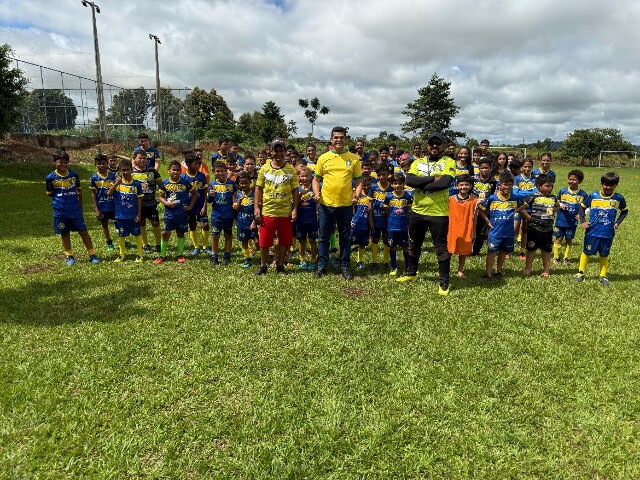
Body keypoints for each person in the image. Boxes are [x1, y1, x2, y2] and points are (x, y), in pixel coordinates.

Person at [397, 132, 455, 296]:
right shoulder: (418, 162)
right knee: (414, 243)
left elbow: (444, 183)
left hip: (439, 213)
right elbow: (409, 181)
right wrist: (431, 179)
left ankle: (444, 283)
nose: (434, 146)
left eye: (438, 143)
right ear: (427, 146)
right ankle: (411, 273)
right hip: (418, 211)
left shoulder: (449, 162)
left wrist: (421, 184)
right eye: (431, 143)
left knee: (441, 248)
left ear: (443, 146)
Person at [313, 126, 362, 280]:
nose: (339, 140)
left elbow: (359, 180)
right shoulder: (323, 158)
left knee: (345, 237)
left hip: (346, 205)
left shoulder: (353, 159)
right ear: (331, 139)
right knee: (324, 237)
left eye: (341, 137)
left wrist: (357, 194)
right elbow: (315, 179)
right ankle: (322, 265)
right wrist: (316, 193)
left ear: (346, 139)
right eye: (336, 137)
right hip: (326, 204)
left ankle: (345, 265)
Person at [46, 150, 100, 265]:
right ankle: (69, 256)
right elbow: (50, 193)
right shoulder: (50, 178)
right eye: (60, 162)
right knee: (64, 233)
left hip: (75, 210)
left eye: (65, 162)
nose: (63, 165)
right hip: (60, 212)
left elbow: (79, 191)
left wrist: (80, 208)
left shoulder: (74, 175)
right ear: (55, 162)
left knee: (83, 232)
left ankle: (92, 254)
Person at [574, 172, 628, 285]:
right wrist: (583, 221)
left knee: (604, 254)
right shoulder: (593, 196)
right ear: (601, 184)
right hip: (592, 232)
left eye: (612, 185)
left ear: (616, 185)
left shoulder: (618, 198)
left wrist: (617, 223)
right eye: (606, 184)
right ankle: (581, 273)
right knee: (587, 251)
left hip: (607, 233)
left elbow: (624, 211)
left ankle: (603, 275)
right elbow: (581, 207)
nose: (608, 187)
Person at [255, 139, 299, 275]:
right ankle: (263, 266)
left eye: (281, 150)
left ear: (285, 152)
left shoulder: (290, 169)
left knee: (285, 241)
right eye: (276, 150)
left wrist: (295, 209)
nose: (278, 153)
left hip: (285, 212)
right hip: (268, 211)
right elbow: (258, 189)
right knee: (264, 242)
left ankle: (280, 265)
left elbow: (295, 190)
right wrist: (256, 207)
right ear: (271, 151)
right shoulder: (264, 169)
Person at [477, 172, 526, 279]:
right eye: (505, 184)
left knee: (503, 252)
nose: (507, 187)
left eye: (510, 184)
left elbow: (524, 206)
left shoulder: (515, 198)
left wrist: (516, 210)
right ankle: (488, 273)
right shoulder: (492, 198)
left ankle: (498, 271)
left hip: (508, 232)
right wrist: (487, 221)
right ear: (500, 184)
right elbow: (480, 210)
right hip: (495, 232)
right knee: (491, 252)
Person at [154, 160, 198, 264]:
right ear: (168, 171)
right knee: (165, 233)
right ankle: (162, 255)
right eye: (173, 170)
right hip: (169, 213)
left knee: (180, 233)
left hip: (182, 213)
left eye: (178, 170)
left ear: (180, 171)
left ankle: (180, 254)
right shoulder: (164, 183)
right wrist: (167, 203)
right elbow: (160, 197)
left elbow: (195, 194)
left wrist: (190, 206)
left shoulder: (185, 182)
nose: (176, 172)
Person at [521, 174, 559, 278]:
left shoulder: (553, 197)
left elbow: (557, 206)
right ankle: (528, 268)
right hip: (534, 228)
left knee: (546, 250)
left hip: (548, 228)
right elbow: (521, 207)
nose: (549, 188)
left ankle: (546, 270)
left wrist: (553, 212)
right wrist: (528, 217)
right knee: (531, 249)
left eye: (551, 186)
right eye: (547, 186)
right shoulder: (533, 197)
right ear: (538, 186)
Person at [106, 159, 144, 262]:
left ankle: (140, 254)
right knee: (121, 235)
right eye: (123, 170)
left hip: (133, 215)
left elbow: (140, 200)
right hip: (120, 215)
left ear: (131, 170)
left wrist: (139, 214)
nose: (125, 172)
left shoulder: (136, 184)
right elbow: (108, 193)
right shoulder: (117, 183)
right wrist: (116, 183)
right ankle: (121, 254)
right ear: (120, 171)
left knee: (137, 234)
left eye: (127, 170)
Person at [553, 169, 587, 265]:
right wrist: (560, 205)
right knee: (558, 238)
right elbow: (556, 201)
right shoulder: (563, 191)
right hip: (561, 220)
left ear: (579, 181)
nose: (571, 181)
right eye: (570, 179)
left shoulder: (583, 194)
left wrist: (580, 215)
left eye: (574, 180)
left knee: (569, 239)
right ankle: (556, 257)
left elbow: (587, 207)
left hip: (572, 222)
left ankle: (566, 258)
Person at [131, 149, 162, 254]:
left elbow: (161, 185)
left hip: (151, 203)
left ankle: (159, 244)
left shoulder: (152, 171)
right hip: (138, 204)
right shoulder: (131, 173)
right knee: (142, 223)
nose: (142, 160)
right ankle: (145, 245)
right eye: (140, 158)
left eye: (144, 158)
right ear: (134, 159)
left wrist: (163, 196)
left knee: (156, 223)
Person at [447, 174, 478, 278]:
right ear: (456, 185)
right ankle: (445, 269)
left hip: (466, 228)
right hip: (452, 228)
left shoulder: (474, 201)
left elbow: (475, 217)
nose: (464, 187)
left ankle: (460, 270)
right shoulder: (450, 199)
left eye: (466, 185)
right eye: (461, 184)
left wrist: (473, 231)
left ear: (470, 186)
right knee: (449, 249)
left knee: (463, 250)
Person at [208, 161, 237, 266]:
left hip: (228, 215)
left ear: (226, 171)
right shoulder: (212, 185)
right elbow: (209, 201)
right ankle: (214, 257)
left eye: (222, 171)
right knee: (215, 236)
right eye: (217, 171)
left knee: (228, 236)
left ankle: (227, 256)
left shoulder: (232, 184)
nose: (220, 173)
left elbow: (237, 195)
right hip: (216, 215)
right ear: (214, 172)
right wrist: (210, 196)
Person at [182, 153, 210, 256]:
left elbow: (205, 191)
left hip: (200, 205)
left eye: (199, 163)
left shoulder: (201, 176)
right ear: (188, 164)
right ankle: (196, 246)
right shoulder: (183, 177)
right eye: (195, 163)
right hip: (190, 206)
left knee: (205, 225)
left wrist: (205, 206)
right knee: (192, 225)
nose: (198, 165)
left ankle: (205, 246)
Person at [384, 173, 412, 276]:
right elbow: (386, 209)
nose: (397, 186)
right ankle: (394, 267)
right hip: (392, 226)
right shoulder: (389, 196)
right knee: (392, 246)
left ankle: (408, 266)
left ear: (403, 184)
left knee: (405, 246)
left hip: (403, 226)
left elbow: (408, 210)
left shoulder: (407, 196)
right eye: (395, 183)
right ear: (391, 184)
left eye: (400, 183)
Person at [89, 154, 116, 251]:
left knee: (119, 223)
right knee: (105, 224)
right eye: (99, 164)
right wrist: (96, 209)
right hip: (102, 206)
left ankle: (123, 240)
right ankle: (109, 242)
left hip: (114, 205)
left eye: (103, 163)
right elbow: (93, 194)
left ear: (107, 164)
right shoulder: (94, 178)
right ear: (95, 165)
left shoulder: (113, 176)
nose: (101, 165)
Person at [471, 157, 497, 255]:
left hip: (486, 210)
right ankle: (467, 248)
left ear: (490, 168)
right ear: (479, 168)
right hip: (472, 208)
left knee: (481, 232)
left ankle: (476, 251)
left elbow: (493, 194)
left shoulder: (493, 181)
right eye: (482, 168)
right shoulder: (473, 179)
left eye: (486, 168)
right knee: (471, 229)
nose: (484, 170)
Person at [369, 163, 393, 269]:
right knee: (375, 239)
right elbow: (370, 205)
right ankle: (375, 262)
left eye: (384, 174)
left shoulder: (391, 188)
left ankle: (386, 261)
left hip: (387, 219)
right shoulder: (373, 187)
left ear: (388, 174)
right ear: (377, 175)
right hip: (376, 218)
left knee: (386, 239)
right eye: (379, 175)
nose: (382, 177)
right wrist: (370, 219)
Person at [513, 156, 537, 259]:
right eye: (525, 167)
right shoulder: (517, 178)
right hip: (518, 206)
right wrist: (528, 193)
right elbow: (515, 193)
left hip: (530, 207)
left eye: (529, 167)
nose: (527, 169)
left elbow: (536, 193)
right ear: (521, 167)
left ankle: (522, 251)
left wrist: (522, 192)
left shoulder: (534, 178)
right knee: (513, 228)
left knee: (525, 230)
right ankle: (506, 250)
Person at [233, 171, 258, 268]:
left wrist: (255, 221)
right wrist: (239, 200)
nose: (244, 185)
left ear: (250, 182)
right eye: (241, 183)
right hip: (242, 222)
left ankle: (261, 257)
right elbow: (236, 209)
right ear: (239, 184)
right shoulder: (238, 195)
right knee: (244, 241)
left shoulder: (254, 194)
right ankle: (247, 258)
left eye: (246, 182)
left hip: (253, 222)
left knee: (256, 241)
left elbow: (258, 208)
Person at [296, 166, 319, 271]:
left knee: (313, 240)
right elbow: (294, 203)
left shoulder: (314, 188)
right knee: (301, 240)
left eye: (306, 176)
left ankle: (314, 260)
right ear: (298, 177)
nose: (304, 178)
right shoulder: (297, 189)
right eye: (302, 176)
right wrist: (300, 195)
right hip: (301, 219)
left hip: (312, 219)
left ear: (311, 176)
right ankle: (303, 260)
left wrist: (317, 198)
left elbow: (319, 201)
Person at [351, 176, 374, 271]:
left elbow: (369, 212)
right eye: (363, 185)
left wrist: (371, 224)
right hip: (355, 223)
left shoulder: (370, 197)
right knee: (349, 241)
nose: (366, 187)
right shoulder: (356, 195)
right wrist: (351, 220)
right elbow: (351, 209)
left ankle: (359, 261)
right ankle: (338, 256)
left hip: (365, 224)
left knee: (362, 243)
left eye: (368, 185)